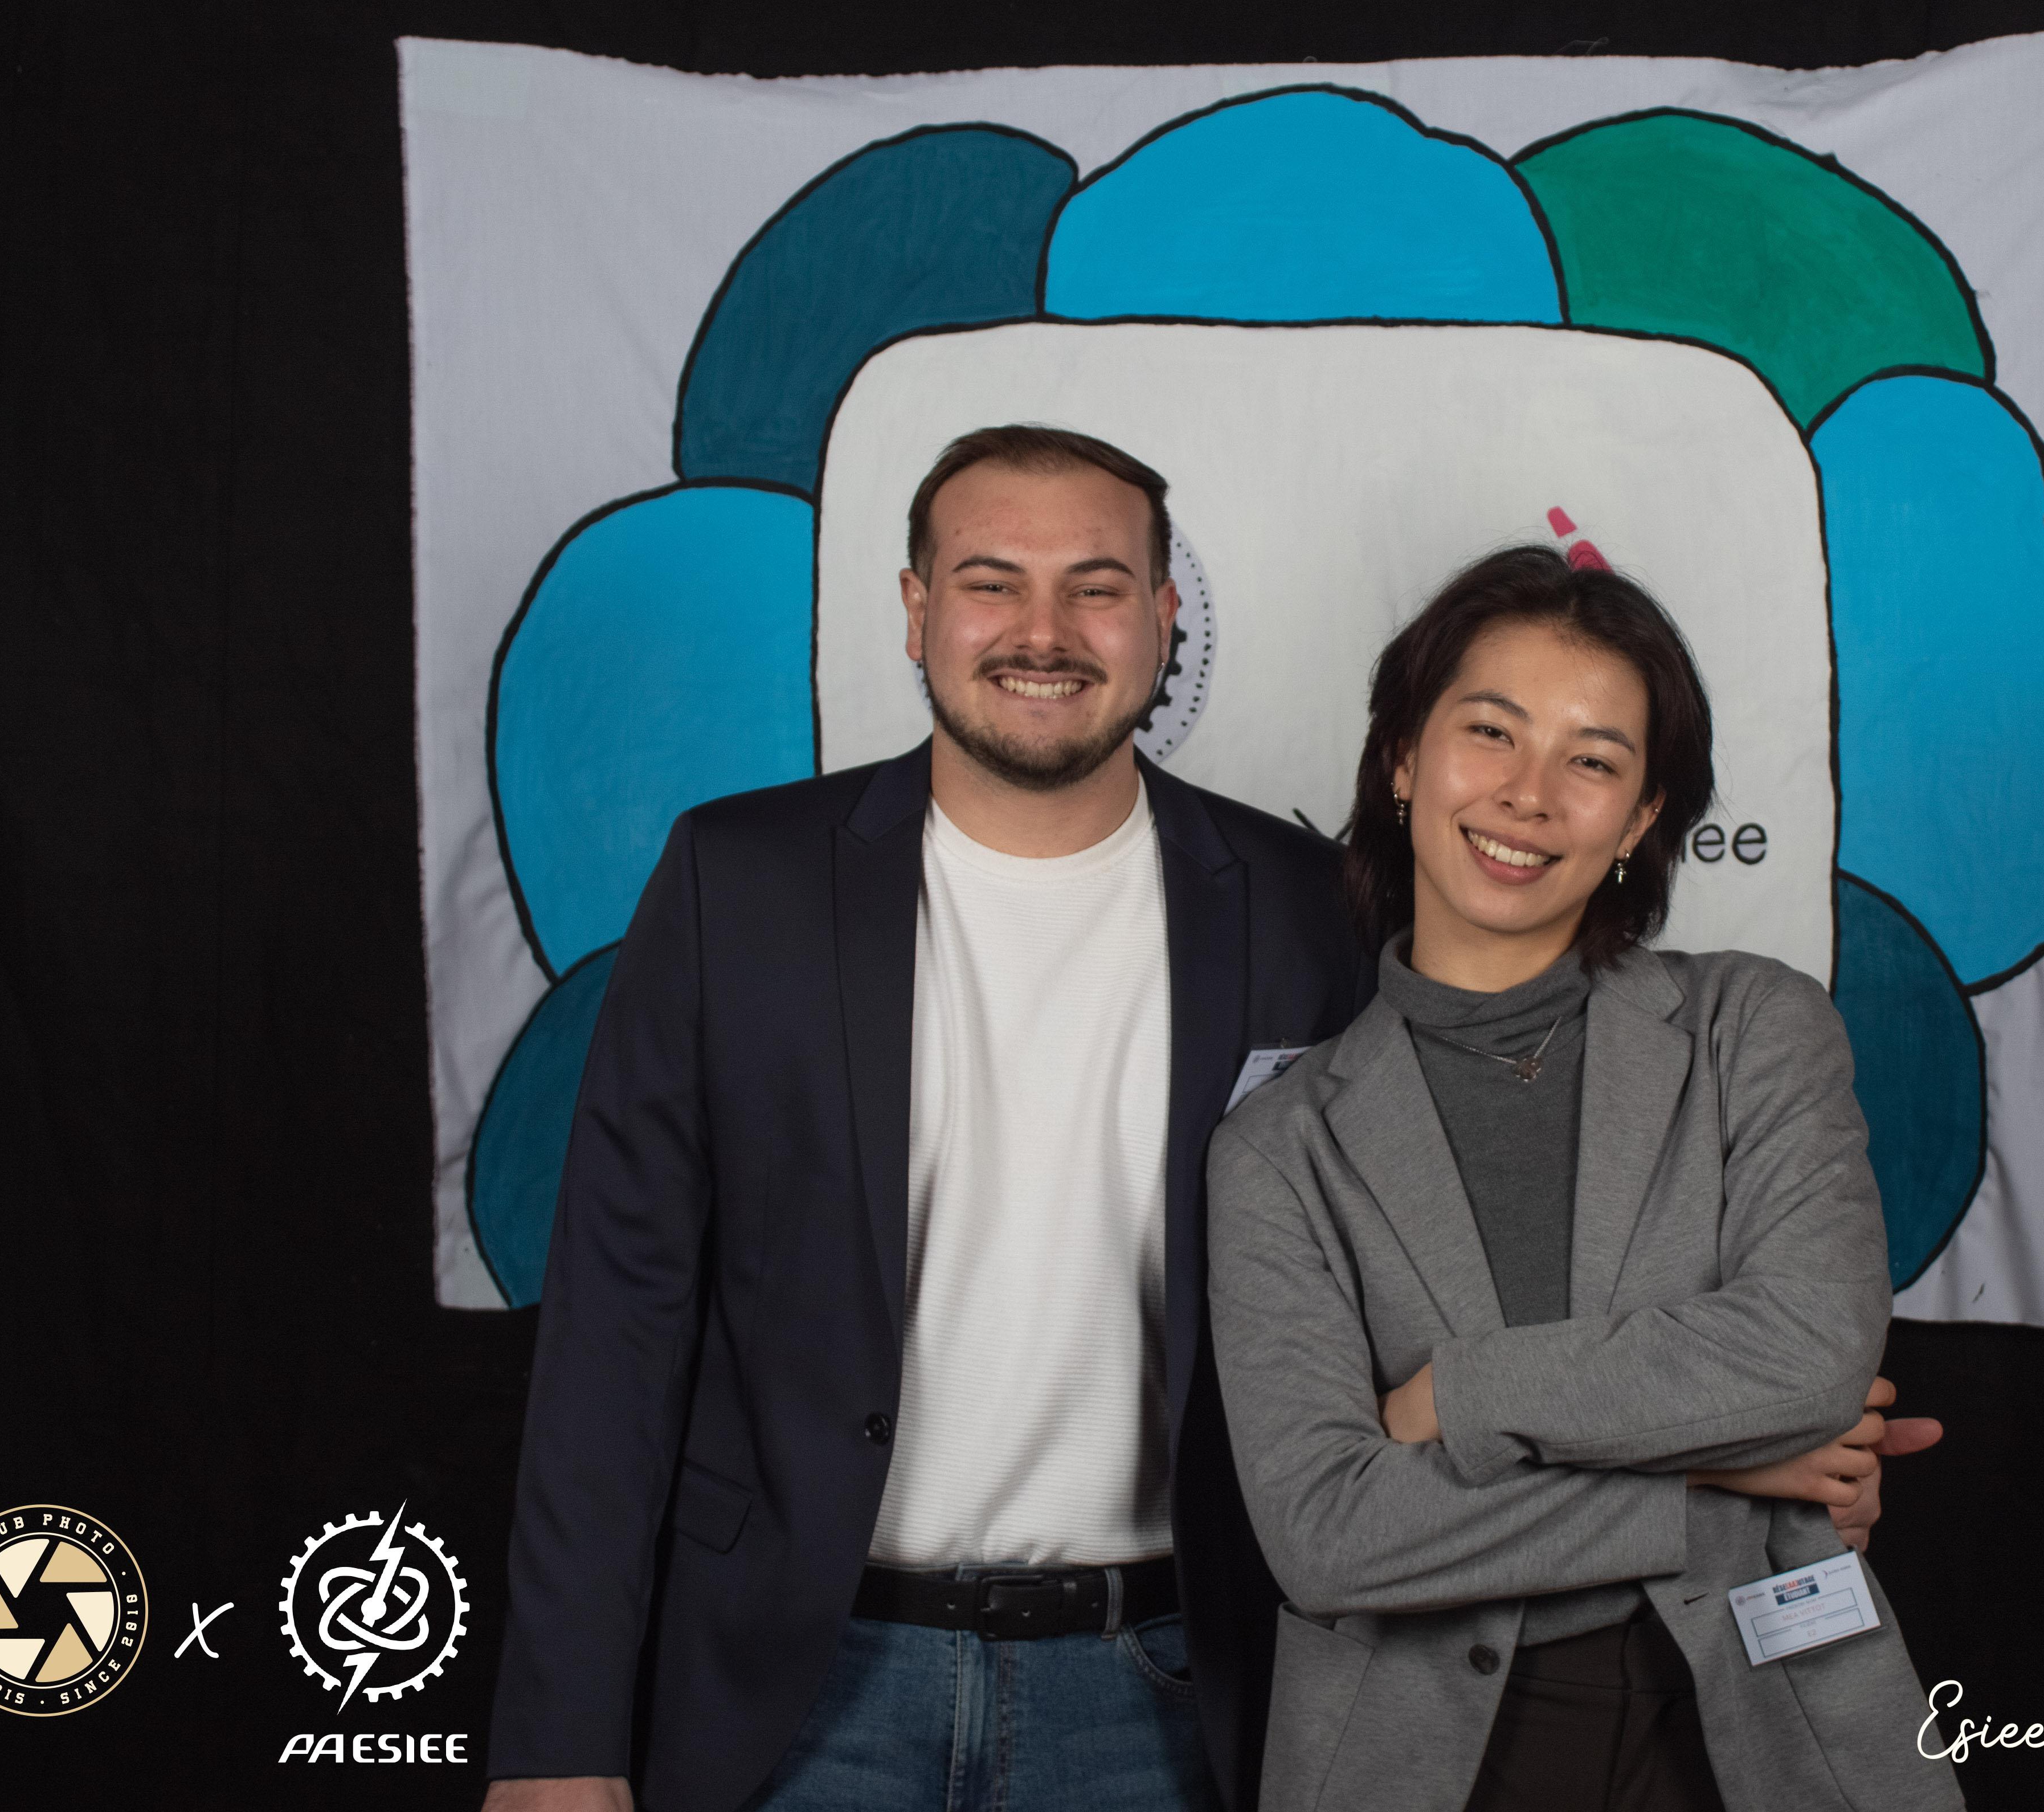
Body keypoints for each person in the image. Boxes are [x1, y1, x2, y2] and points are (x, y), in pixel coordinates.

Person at [481, 430, 1932, 1812]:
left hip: (1166, 1684)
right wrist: (558, 1733)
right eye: (991, 581)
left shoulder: (1302, 909)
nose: (1043, 631)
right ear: (916, 610)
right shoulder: (739, 884)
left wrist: (1703, 1433)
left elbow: (1454, 1277)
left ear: (1165, 620)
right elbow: (618, 1326)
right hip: (797, 1676)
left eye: (1096, 587)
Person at [1208, 548, 1961, 1811]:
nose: (1530, 796)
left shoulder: (1750, 1031)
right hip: (1419, 1753)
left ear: (1644, 816)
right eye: (1490, 733)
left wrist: (1457, 1394)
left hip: (1765, 1719)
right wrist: (1705, 1475)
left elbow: (1809, 1357)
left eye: (1594, 761)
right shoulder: (1281, 1148)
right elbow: (1331, 1535)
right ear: (1401, 759)